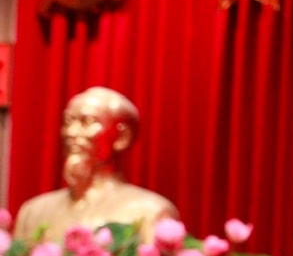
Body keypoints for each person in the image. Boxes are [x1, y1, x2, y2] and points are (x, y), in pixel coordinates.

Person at [12, 86, 179, 244]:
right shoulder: (33, 212)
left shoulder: (150, 212)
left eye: (87, 122)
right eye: (68, 122)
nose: (71, 132)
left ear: (122, 137)